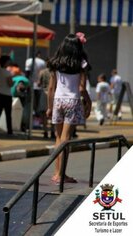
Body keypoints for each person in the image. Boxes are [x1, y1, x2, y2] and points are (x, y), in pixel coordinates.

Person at [46, 32, 92, 184]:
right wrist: (88, 102)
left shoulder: (55, 62)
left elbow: (51, 88)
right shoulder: (81, 63)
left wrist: (49, 107)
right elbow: (81, 88)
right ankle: (61, 175)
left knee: (58, 139)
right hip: (72, 102)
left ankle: (56, 173)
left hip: (58, 101)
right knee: (66, 139)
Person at [0, 55, 13, 135]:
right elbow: (10, 84)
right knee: (8, 114)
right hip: (7, 94)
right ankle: (9, 130)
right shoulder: (7, 72)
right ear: (5, 63)